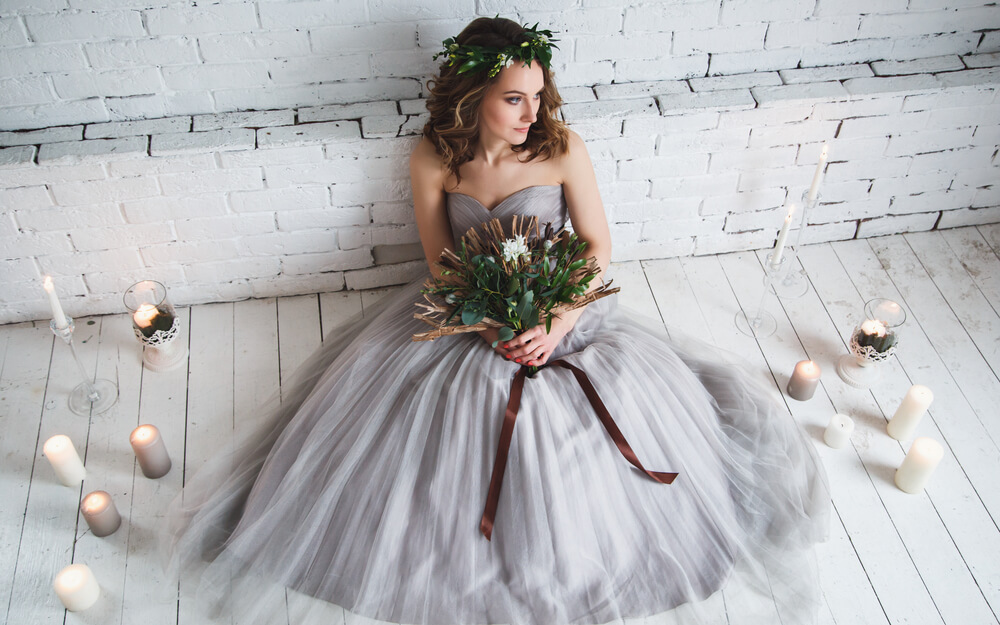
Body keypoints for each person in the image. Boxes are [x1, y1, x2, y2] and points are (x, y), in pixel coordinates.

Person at [163, 16, 830, 625]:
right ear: (472, 95)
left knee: (576, 432)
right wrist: (487, 323)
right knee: (445, 416)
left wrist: (557, 325)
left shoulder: (561, 148)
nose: (532, 111)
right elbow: (441, 260)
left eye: (537, 95)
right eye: (515, 97)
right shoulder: (432, 157)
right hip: (472, 312)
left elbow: (597, 249)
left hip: (565, 308)